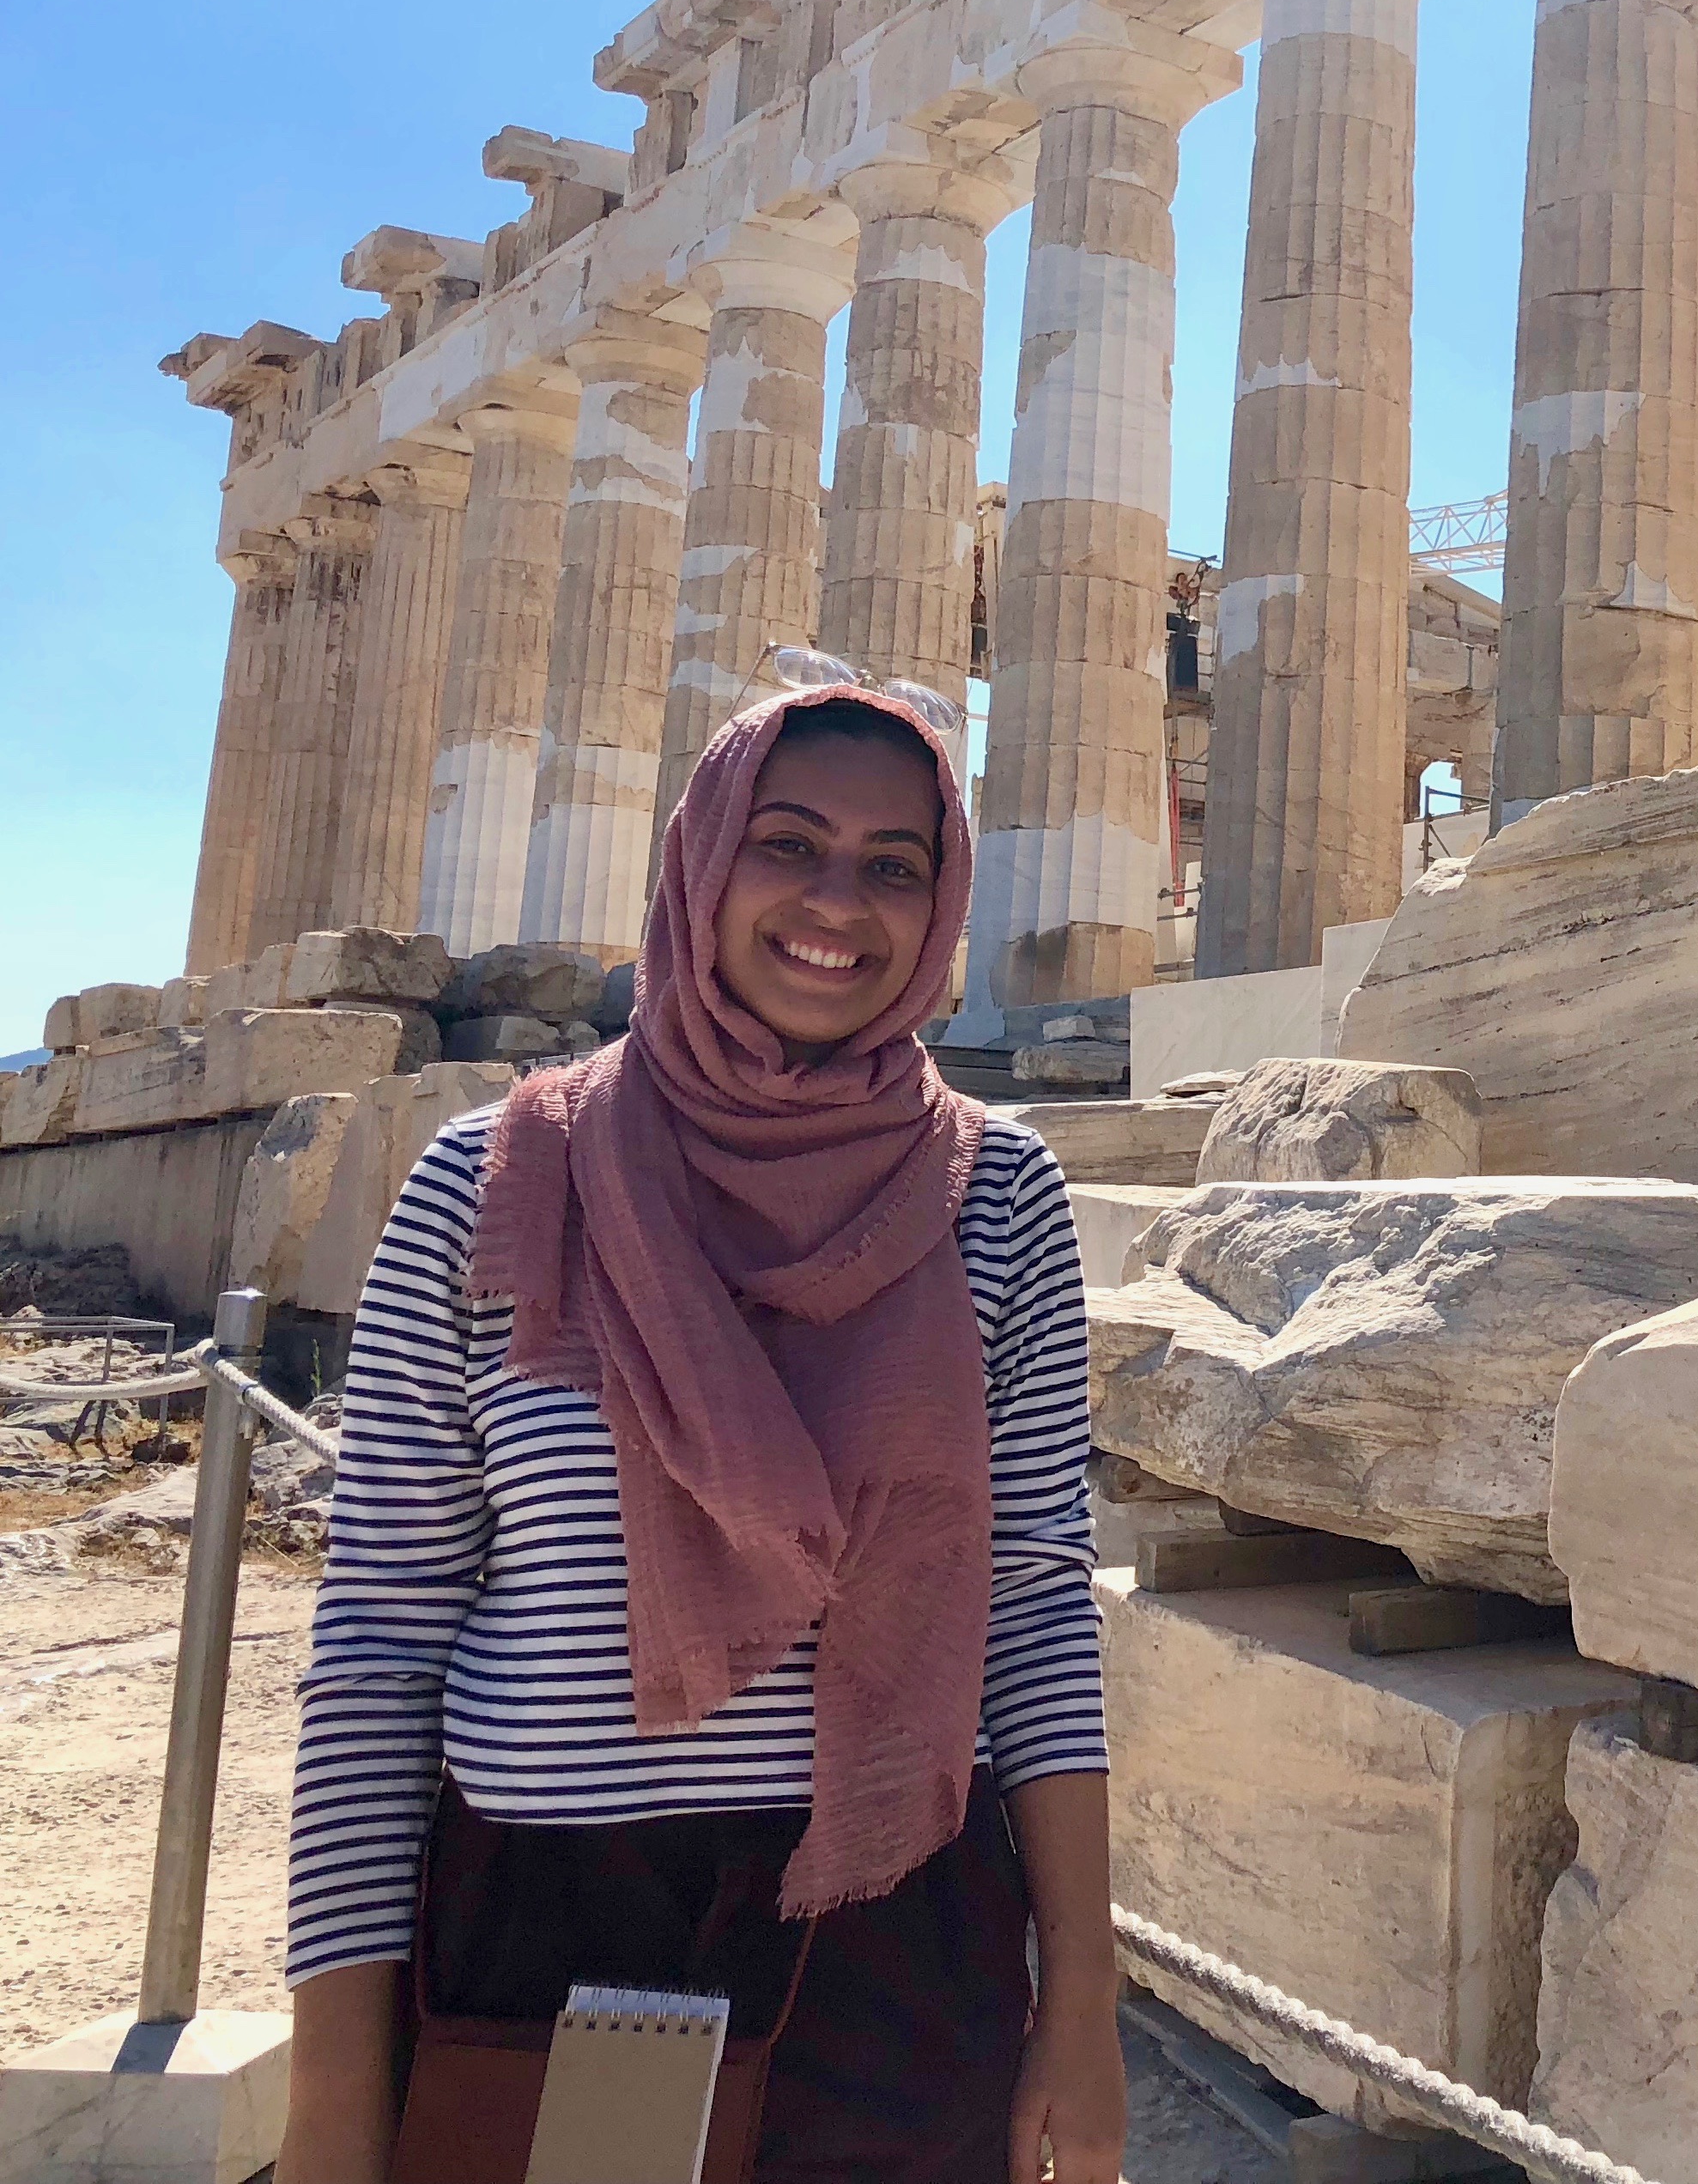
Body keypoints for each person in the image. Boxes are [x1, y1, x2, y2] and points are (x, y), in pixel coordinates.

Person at [275, 682, 1126, 2182]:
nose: (835, 904)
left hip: (896, 1920)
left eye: (894, 864)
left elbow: (1038, 1613)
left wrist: (1088, 2000)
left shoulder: (1000, 1200)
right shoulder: (494, 1182)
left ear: (941, 907)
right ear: (700, 859)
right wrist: (336, 2103)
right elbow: (380, 1642)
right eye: (785, 842)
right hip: (549, 1922)